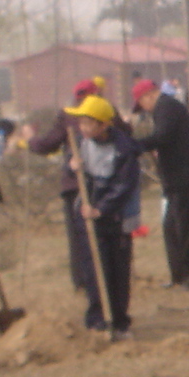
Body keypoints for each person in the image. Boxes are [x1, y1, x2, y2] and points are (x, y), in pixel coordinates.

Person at [63, 93, 139, 338]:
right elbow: (71, 165)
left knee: (117, 270)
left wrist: (101, 209)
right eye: (81, 122)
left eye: (89, 123)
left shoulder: (123, 149)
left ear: (105, 124)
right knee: (95, 269)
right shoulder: (80, 142)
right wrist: (71, 166)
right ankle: (97, 319)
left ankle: (118, 320)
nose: (83, 128)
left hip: (115, 219)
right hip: (86, 215)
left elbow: (123, 186)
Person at [24, 80, 108, 297]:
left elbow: (45, 145)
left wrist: (29, 139)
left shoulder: (68, 117)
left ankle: (83, 282)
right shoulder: (105, 113)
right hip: (99, 183)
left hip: (78, 185)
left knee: (79, 237)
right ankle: (96, 280)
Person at [130, 77, 189, 288]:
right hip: (177, 178)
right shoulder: (164, 109)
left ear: (148, 95)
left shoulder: (167, 107)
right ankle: (179, 274)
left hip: (187, 177)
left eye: (142, 104)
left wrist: (136, 146)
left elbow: (163, 137)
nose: (144, 109)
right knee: (172, 227)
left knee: (187, 228)